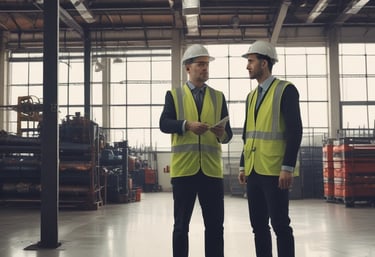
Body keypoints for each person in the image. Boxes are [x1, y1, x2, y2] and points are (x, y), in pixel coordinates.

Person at [159, 44, 233, 257]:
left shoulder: (218, 96)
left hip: (211, 172)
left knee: (215, 227)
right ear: (188, 68)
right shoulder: (174, 95)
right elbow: (164, 124)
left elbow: (228, 135)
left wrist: (221, 134)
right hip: (184, 172)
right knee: (181, 226)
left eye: (207, 65)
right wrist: (186, 125)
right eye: (201, 64)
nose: (205, 69)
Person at [238, 40, 303, 257]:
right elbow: (248, 135)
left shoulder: (286, 90)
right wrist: (242, 165)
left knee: (280, 225)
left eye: (251, 61)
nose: (248, 66)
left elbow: (295, 130)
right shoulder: (251, 96)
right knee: (258, 226)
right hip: (254, 171)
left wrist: (287, 167)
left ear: (264, 63)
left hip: (275, 171)